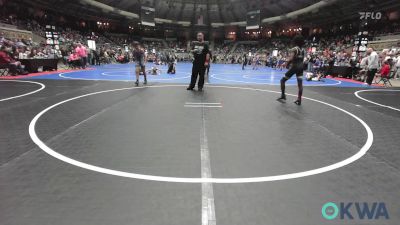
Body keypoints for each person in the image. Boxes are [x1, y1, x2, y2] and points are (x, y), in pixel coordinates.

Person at [277, 35, 305, 105]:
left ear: (295, 41)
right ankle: (299, 99)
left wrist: (285, 64)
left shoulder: (294, 49)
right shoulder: (303, 50)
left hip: (295, 67)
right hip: (301, 67)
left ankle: (283, 95)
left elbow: (291, 58)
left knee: (282, 80)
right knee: (300, 85)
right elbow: (302, 59)